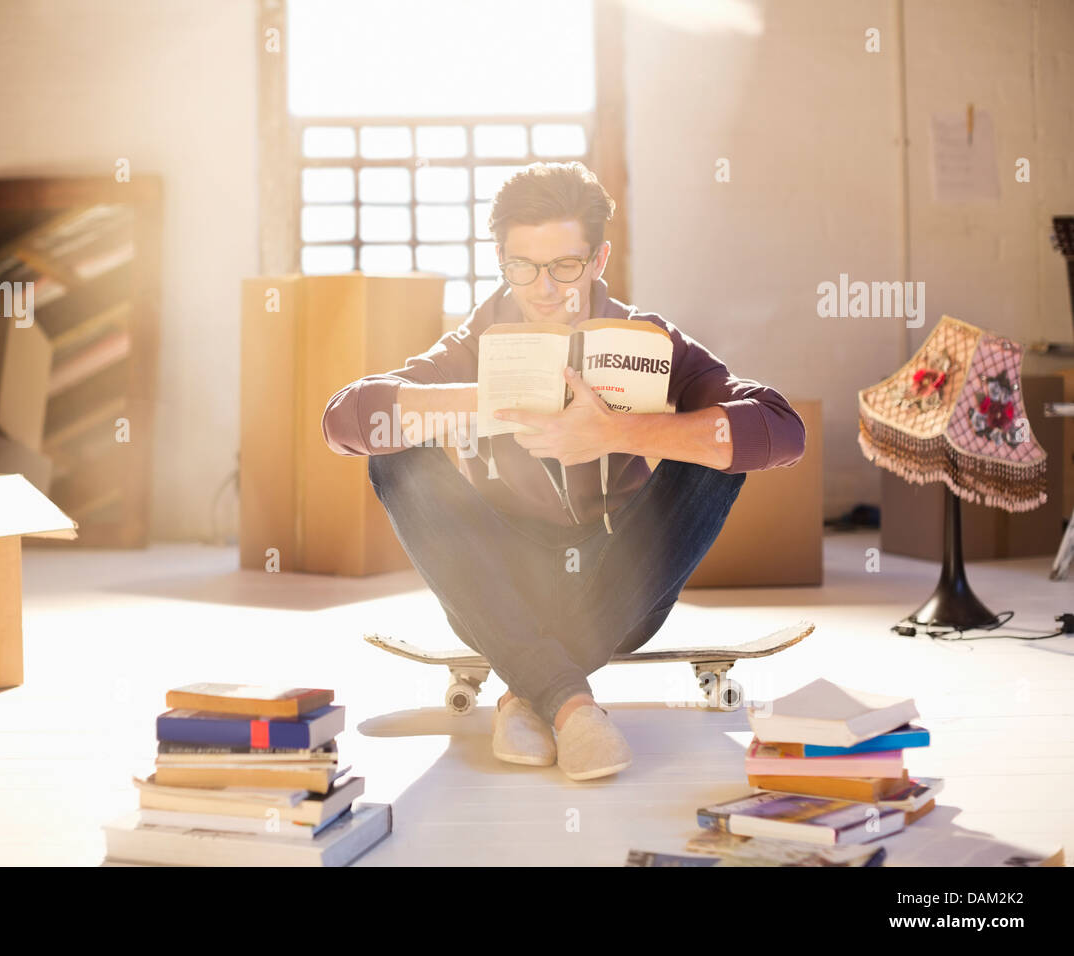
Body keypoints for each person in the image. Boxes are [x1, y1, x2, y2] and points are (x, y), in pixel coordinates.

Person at [321, 162, 806, 780]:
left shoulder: (649, 340)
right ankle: (571, 704)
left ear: (599, 258)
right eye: (522, 267)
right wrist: (492, 399)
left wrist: (616, 430)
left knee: (718, 452)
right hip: (496, 584)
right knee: (395, 449)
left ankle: (528, 691)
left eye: (565, 267)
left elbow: (783, 430)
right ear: (500, 259)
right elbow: (342, 421)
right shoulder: (471, 343)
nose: (544, 289)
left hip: (621, 580)